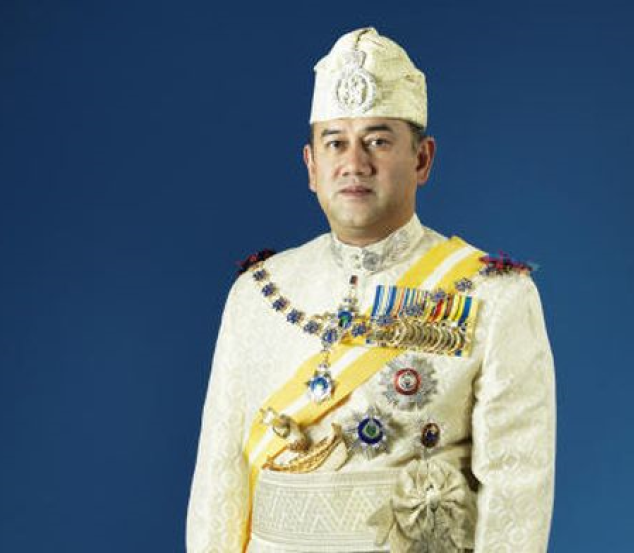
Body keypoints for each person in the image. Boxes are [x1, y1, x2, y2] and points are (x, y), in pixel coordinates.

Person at [187, 27, 556, 553]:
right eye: (335, 142)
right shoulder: (256, 294)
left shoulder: (495, 297)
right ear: (312, 166)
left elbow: (516, 493)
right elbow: (219, 481)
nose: (354, 164)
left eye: (378, 141)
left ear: (422, 159)